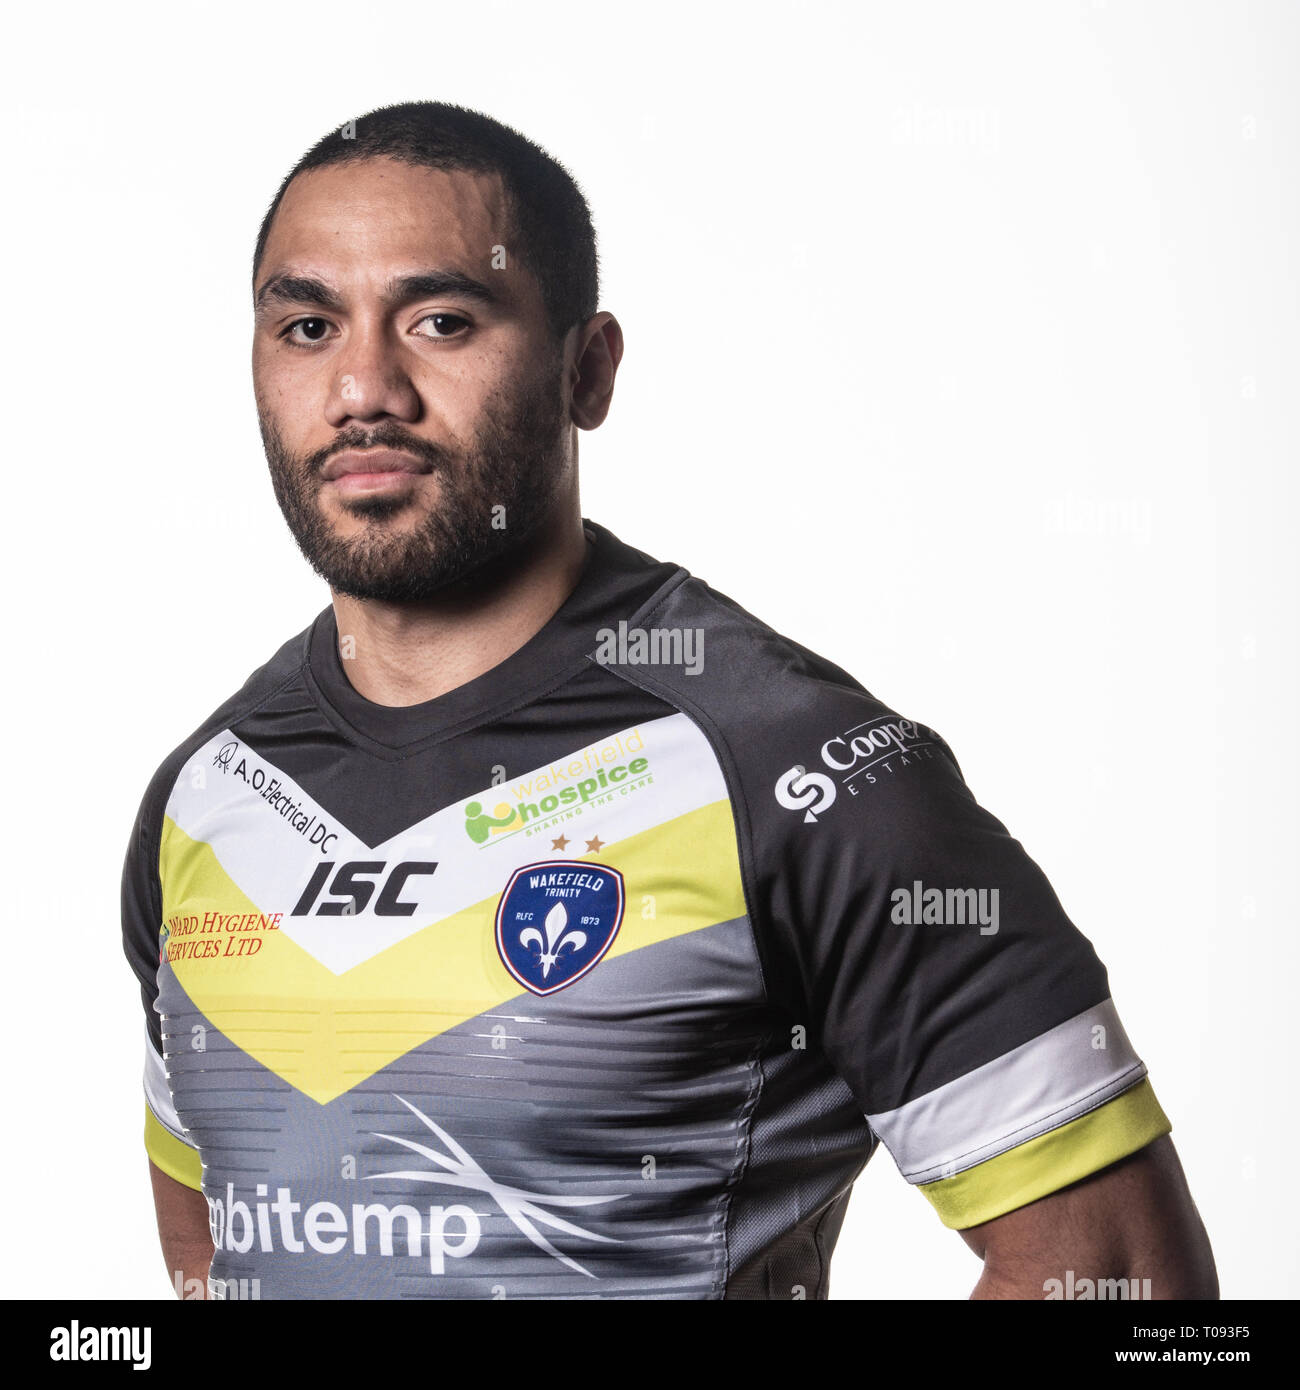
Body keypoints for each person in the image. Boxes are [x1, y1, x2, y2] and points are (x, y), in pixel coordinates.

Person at [122, 100, 1217, 1300]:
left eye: (442, 320)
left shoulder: (800, 768)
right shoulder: (211, 794)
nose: (363, 386)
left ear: (585, 370)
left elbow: (1120, 1280)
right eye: (308, 323)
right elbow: (218, 1248)